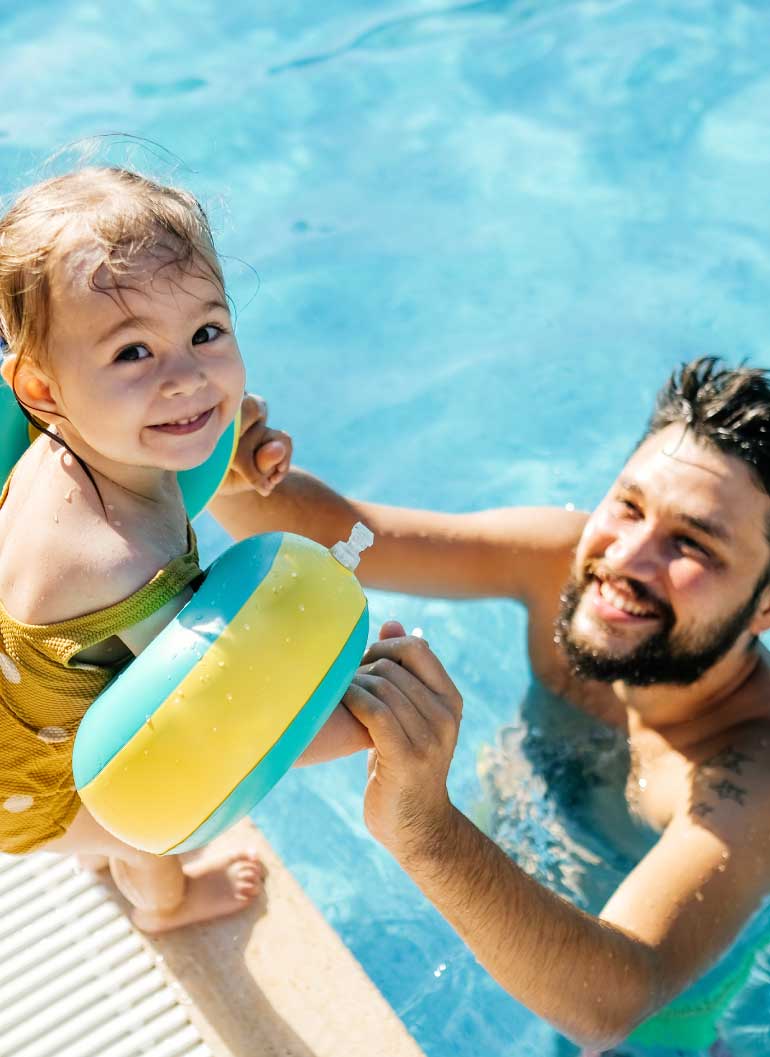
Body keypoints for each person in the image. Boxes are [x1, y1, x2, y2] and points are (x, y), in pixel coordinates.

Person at [211, 358, 770, 1053]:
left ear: (766, 605)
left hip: (657, 1014)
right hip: (521, 867)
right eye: (628, 505)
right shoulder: (562, 563)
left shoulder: (748, 768)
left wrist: (425, 828)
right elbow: (345, 533)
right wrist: (219, 464)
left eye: (691, 543)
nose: (626, 556)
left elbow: (616, 998)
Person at [0, 166, 370, 933]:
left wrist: (230, 447)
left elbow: (185, 422)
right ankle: (163, 910)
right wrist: (369, 713)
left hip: (21, 701)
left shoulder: (77, 446)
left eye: (206, 333)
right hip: (28, 784)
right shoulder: (118, 559)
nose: (188, 378)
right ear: (40, 388)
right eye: (133, 353)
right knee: (146, 833)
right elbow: (222, 713)